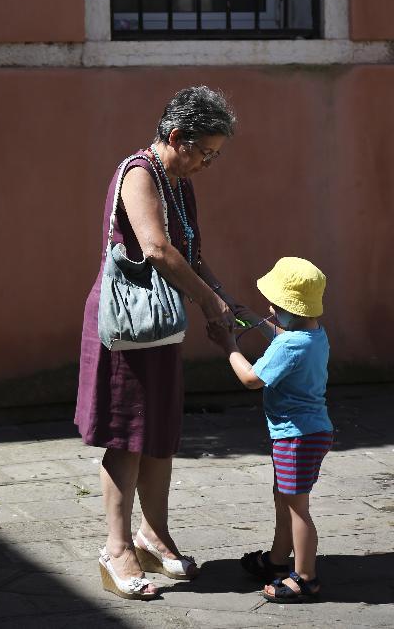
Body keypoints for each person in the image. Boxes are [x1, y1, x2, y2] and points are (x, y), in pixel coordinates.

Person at [74, 85, 238, 599]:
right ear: (176, 137)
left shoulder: (179, 180)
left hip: (160, 324)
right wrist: (208, 304)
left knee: (159, 431)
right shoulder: (141, 173)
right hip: (127, 325)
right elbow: (157, 249)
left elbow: (189, 252)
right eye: (205, 152)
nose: (209, 163)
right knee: (126, 435)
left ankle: (153, 533)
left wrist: (222, 299)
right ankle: (117, 548)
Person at [208, 256, 333, 603]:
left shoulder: (288, 346)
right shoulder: (314, 333)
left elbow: (251, 378)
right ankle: (278, 561)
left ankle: (305, 577)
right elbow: (285, 336)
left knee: (297, 508)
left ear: (288, 307)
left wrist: (228, 344)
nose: (269, 307)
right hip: (308, 432)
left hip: (296, 436)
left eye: (275, 305)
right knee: (285, 499)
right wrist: (253, 318)